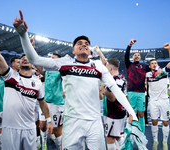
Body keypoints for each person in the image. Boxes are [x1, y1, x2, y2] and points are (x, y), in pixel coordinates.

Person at [13, 10, 139, 150]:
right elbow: (34, 59)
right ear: (73, 50)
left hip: (94, 122)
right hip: (72, 121)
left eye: (86, 43)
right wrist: (22, 34)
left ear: (90, 51)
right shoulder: (64, 63)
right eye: (79, 43)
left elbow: (116, 89)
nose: (83, 44)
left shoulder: (98, 66)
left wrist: (132, 113)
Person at [0, 31, 53, 150]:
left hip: (30, 128)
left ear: (33, 63)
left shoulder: (37, 82)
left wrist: (49, 120)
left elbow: (43, 103)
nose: (24, 59)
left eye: (27, 57)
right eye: (22, 58)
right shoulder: (10, 76)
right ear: (18, 64)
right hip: (10, 129)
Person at [146, 43, 170, 150]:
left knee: (165, 122)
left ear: (157, 64)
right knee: (154, 122)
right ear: (149, 66)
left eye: (155, 63)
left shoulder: (163, 71)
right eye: (152, 63)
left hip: (164, 101)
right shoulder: (148, 75)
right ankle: (155, 142)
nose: (154, 64)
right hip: (153, 101)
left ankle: (165, 143)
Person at [36, 52, 65, 150]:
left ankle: (60, 147)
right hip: (46, 103)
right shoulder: (47, 70)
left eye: (54, 58)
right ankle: (47, 142)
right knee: (42, 125)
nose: (51, 59)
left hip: (57, 104)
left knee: (57, 130)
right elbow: (36, 63)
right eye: (51, 58)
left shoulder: (61, 70)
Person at [100, 58, 127, 150]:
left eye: (106, 67)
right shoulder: (121, 76)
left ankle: (124, 144)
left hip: (114, 114)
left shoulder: (115, 79)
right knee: (117, 135)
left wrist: (102, 89)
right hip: (119, 112)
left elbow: (112, 98)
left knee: (109, 137)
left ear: (110, 69)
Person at [124, 39, 150, 133]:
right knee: (129, 114)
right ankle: (128, 136)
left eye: (138, 55)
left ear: (140, 57)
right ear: (132, 57)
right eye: (135, 55)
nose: (137, 56)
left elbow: (153, 68)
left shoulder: (144, 66)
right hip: (131, 92)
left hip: (141, 93)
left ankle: (141, 134)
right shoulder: (129, 65)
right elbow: (126, 56)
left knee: (141, 114)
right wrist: (129, 46)